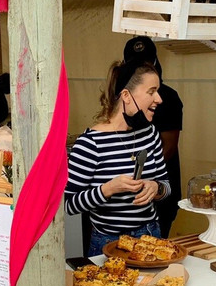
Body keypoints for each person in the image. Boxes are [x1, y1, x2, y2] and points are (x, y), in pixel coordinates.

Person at [64, 61, 171, 256]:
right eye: (151, 91)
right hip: (108, 243)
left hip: (150, 236)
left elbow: (166, 185)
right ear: (126, 95)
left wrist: (157, 188)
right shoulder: (90, 144)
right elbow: (68, 205)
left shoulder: (150, 133)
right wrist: (108, 189)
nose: (159, 98)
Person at [123, 36, 183, 237]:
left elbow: (169, 146)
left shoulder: (168, 97)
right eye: (136, 64)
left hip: (157, 191)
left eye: (146, 64)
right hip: (128, 196)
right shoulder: (122, 96)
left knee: (153, 252)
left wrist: (143, 179)